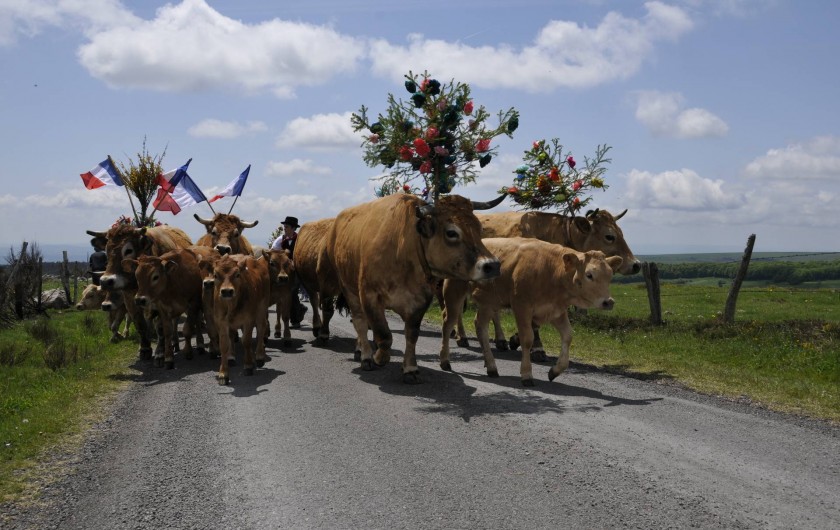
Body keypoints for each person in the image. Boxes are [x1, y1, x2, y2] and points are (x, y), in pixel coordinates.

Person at [271, 216, 307, 329]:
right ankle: (300, 309)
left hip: (296, 270)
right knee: (287, 293)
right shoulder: (280, 239)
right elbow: (272, 252)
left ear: (293, 228)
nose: (284, 229)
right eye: (284, 227)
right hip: (283, 271)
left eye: (286, 227)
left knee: (292, 292)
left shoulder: (300, 240)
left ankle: (295, 319)